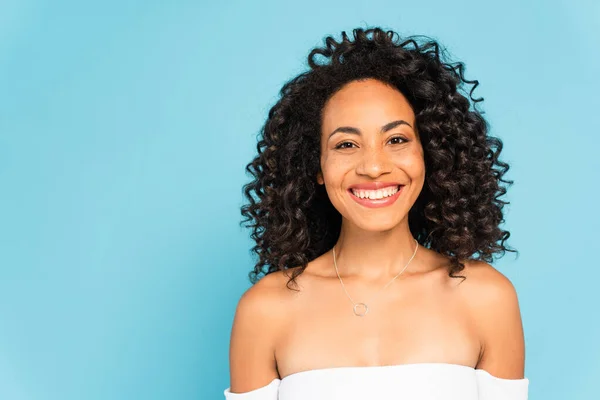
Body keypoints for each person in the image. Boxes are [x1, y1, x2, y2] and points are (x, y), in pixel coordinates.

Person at [224, 27, 529, 399]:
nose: (373, 167)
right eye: (346, 144)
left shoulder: (486, 297)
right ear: (315, 166)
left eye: (396, 140)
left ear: (428, 154)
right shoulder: (265, 310)